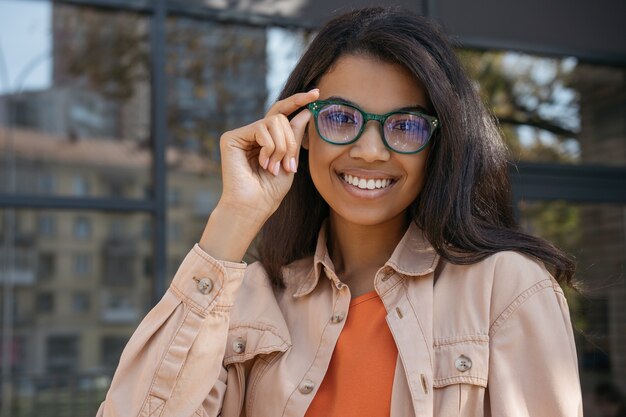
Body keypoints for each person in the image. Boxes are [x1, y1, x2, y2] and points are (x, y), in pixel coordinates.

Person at [97, 6, 583, 417]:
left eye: (406, 126)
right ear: (301, 131)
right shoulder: (251, 301)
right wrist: (235, 218)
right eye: (341, 118)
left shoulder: (508, 290)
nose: (370, 151)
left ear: (440, 145)